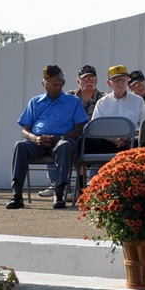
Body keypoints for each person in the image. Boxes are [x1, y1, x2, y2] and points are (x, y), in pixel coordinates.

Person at [7, 65, 89, 210]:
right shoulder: (35, 102)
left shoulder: (73, 101)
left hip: (61, 141)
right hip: (39, 142)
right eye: (48, 83)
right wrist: (35, 138)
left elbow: (79, 129)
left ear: (63, 83)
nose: (52, 87)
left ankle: (58, 193)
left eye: (56, 83)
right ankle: (17, 195)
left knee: (64, 145)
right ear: (43, 83)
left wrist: (59, 137)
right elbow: (25, 130)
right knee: (19, 146)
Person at [39, 64, 105, 197]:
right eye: (85, 78)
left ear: (96, 80)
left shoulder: (104, 98)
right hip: (70, 135)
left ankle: (90, 186)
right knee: (53, 140)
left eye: (92, 78)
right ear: (78, 81)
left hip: (93, 138)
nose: (89, 81)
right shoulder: (67, 97)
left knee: (99, 147)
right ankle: (56, 184)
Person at [87, 64, 145, 152]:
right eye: (116, 80)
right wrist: (113, 139)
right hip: (108, 142)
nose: (120, 83)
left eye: (123, 79)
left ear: (128, 80)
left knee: (138, 141)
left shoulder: (138, 101)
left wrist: (128, 137)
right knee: (87, 141)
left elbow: (144, 125)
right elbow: (96, 128)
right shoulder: (102, 102)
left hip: (131, 142)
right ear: (109, 83)